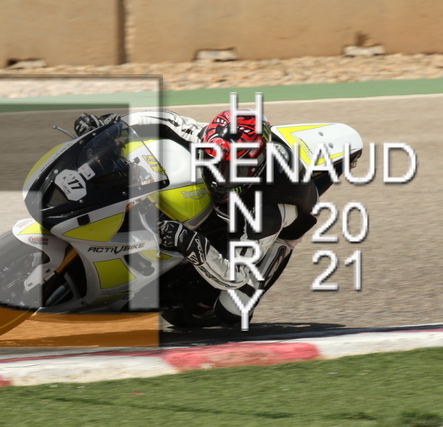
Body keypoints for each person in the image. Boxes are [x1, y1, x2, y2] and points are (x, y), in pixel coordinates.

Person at [73, 110, 319, 325]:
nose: (218, 176)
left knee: (232, 310)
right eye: (213, 161)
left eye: (233, 169)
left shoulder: (270, 210)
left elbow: (234, 277)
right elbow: (153, 120)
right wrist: (106, 124)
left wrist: (190, 243)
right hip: (234, 202)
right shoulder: (202, 135)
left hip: (268, 231)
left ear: (255, 167)